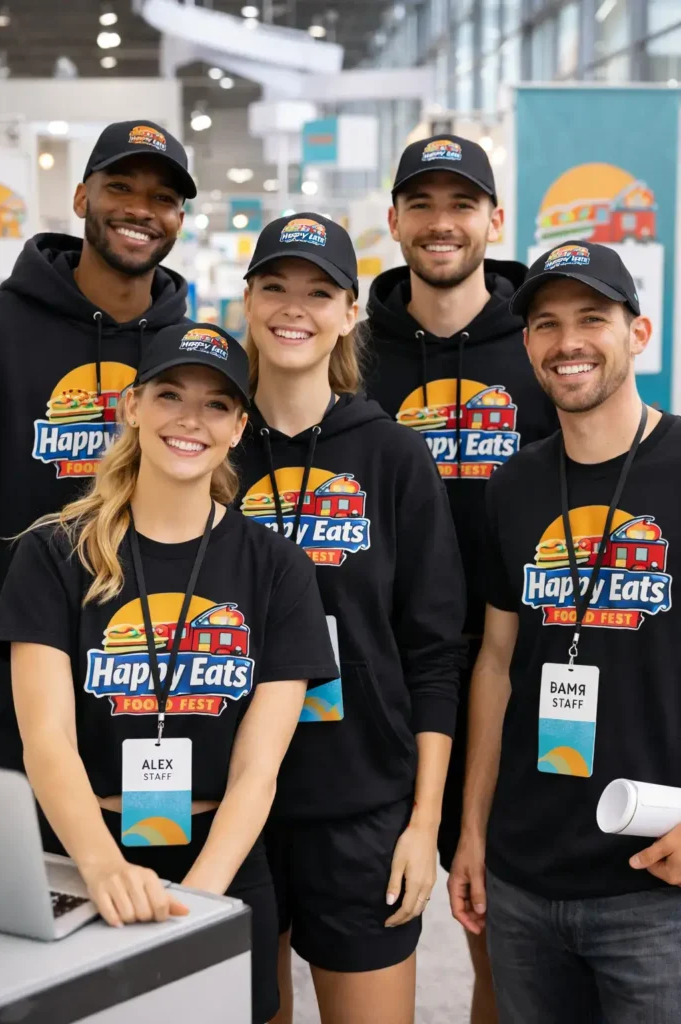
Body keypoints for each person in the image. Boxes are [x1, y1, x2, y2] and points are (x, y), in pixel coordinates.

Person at [0, 323, 339, 1024]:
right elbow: (47, 740)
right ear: (132, 407)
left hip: (223, 856)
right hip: (80, 854)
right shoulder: (52, 555)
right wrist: (102, 867)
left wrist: (202, 904)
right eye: (170, 395)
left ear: (239, 426)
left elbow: (258, 769)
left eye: (216, 404)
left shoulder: (279, 569)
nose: (191, 419)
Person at [235, 212, 467, 1024]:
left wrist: (421, 824)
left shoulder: (394, 457)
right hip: (228, 809)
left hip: (360, 807)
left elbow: (434, 653)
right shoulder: (208, 449)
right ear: (247, 301)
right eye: (274, 287)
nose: (293, 308)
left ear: (347, 312)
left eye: (318, 292)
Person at [451, 240, 681, 1023]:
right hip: (522, 877)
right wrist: (472, 833)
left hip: (653, 882)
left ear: (638, 333)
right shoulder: (513, 486)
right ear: (526, 347)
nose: (567, 341)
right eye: (545, 324)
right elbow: (495, 663)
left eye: (591, 318)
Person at [363, 133, 557, 1022]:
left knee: (499, 943)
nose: (442, 225)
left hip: (511, 676)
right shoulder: (354, 355)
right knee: (351, 915)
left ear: (493, 219)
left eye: (461, 205)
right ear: (395, 219)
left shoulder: (543, 356)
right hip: (377, 671)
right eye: (423, 205)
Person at [0, 119, 194, 771]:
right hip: (12, 672)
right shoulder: (6, 330)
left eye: (163, 198)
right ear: (82, 199)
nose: (141, 210)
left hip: (153, 676)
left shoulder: (194, 357)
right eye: (121, 187)